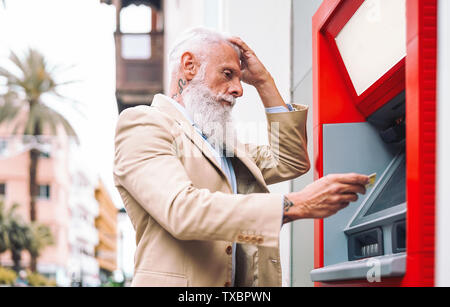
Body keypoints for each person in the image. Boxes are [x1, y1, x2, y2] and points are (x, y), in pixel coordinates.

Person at [113, 27, 369, 287]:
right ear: (189, 66)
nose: (238, 90)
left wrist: (263, 81)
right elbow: (181, 210)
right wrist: (294, 205)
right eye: (227, 74)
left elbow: (290, 160)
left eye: (240, 78)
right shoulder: (142, 124)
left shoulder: (222, 143)